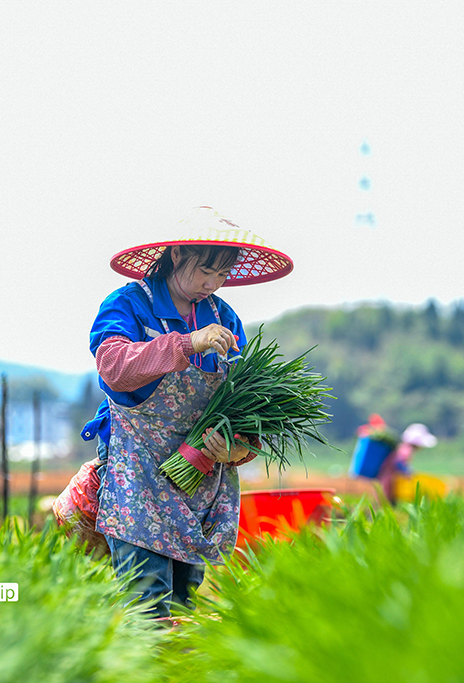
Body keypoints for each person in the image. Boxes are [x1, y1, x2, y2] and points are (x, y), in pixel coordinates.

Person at [79, 206, 294, 621]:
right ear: (177, 254)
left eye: (221, 275)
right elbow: (113, 366)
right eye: (204, 272)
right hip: (137, 478)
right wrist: (187, 343)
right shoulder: (129, 304)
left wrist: (236, 448)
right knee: (147, 605)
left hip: (198, 483)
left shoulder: (223, 318)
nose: (211, 285)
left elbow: (245, 404)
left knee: (185, 605)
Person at [377, 423, 437, 505]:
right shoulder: (407, 450)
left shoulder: (402, 447)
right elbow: (398, 463)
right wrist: (407, 473)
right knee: (385, 500)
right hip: (389, 479)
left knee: (384, 499)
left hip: (387, 477)